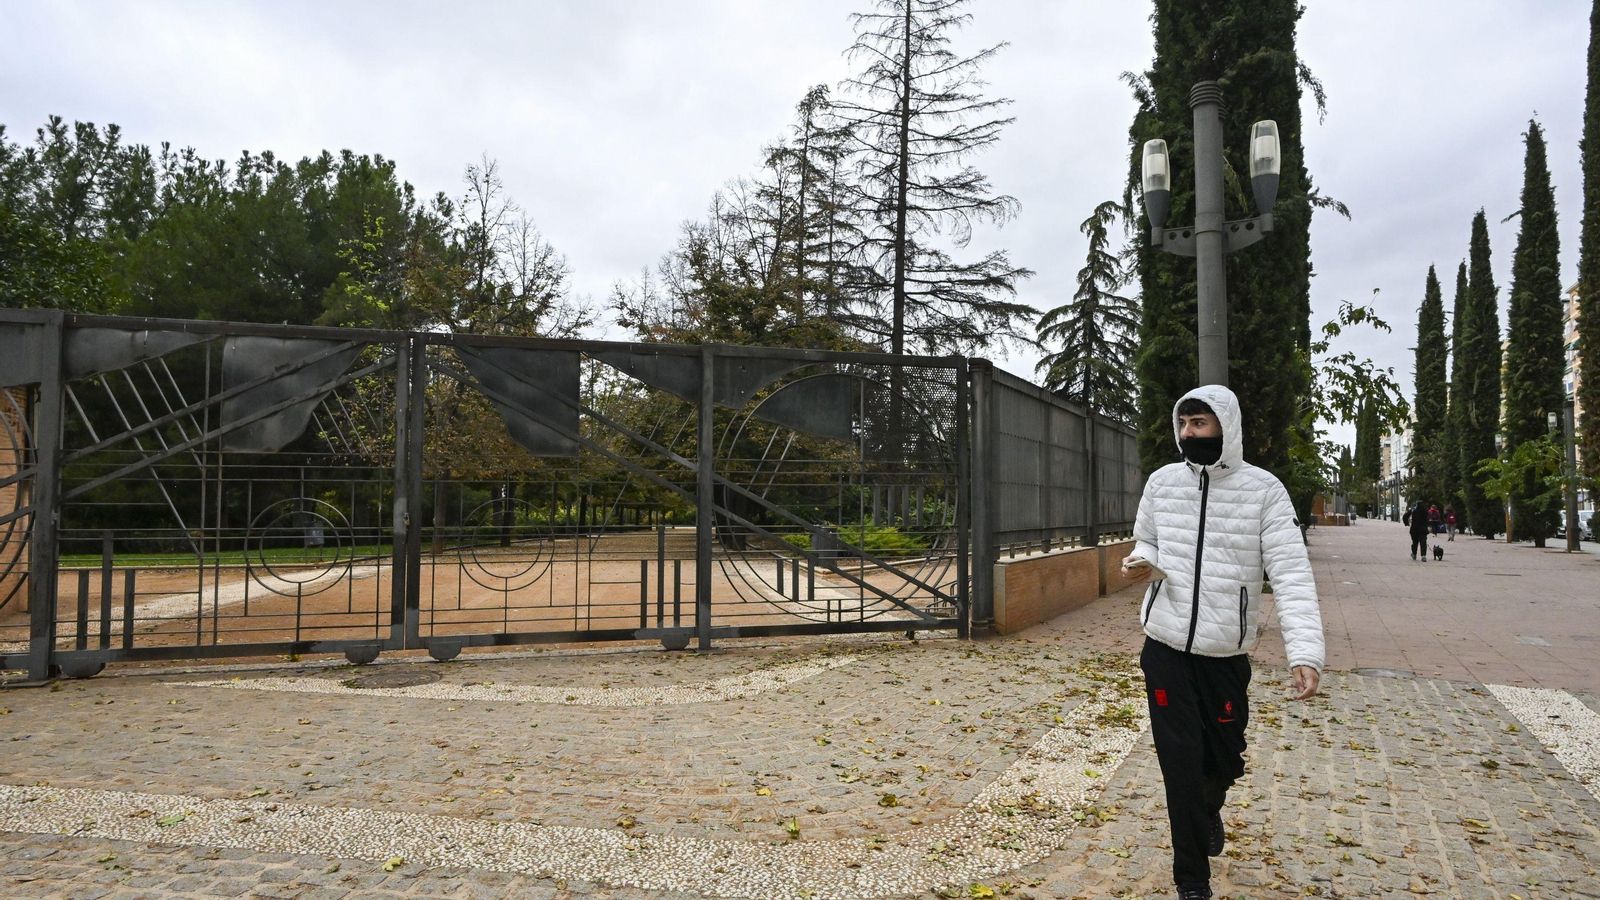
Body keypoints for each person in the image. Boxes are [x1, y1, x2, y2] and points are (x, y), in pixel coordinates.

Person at [1123, 386, 1324, 900]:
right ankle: (1191, 879)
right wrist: (1142, 561)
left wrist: (1305, 652)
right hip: (1165, 646)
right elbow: (1145, 537)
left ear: (1225, 427)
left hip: (1225, 655)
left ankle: (1208, 810)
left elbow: (1291, 573)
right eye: (1184, 424)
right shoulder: (1163, 482)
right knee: (1180, 762)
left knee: (1227, 756)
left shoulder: (1265, 491)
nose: (1189, 433)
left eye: (1200, 424)